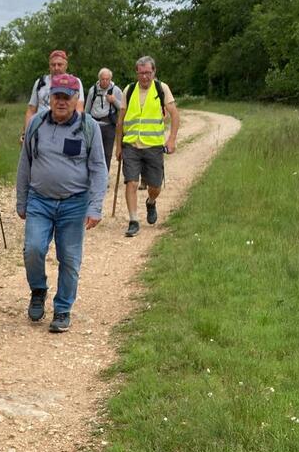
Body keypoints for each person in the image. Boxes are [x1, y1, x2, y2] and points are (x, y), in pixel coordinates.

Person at [17, 74, 108, 333]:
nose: (61, 101)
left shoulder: (89, 127)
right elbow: (25, 164)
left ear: (76, 99)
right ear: (50, 97)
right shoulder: (36, 124)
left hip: (74, 203)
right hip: (39, 201)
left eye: (67, 97)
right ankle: (38, 290)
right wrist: (21, 200)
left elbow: (99, 168)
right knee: (33, 249)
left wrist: (95, 206)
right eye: (57, 96)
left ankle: (62, 309)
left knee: (69, 257)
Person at [115, 55, 180, 238]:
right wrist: (118, 146)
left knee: (155, 186)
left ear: (154, 72)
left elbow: (175, 115)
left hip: (153, 146)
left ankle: (151, 202)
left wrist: (171, 139)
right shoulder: (129, 90)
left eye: (148, 73)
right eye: (141, 73)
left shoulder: (161, 88)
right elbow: (120, 121)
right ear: (136, 73)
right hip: (131, 144)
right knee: (132, 182)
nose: (145, 77)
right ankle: (133, 220)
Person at [22, 49, 85, 137]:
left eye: (59, 64)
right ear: (49, 66)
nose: (56, 68)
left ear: (66, 66)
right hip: (40, 128)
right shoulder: (40, 82)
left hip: (65, 127)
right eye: (53, 65)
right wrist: (26, 133)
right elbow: (31, 110)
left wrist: (75, 131)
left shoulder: (75, 82)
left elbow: (79, 108)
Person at [85, 67, 124, 170]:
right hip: (94, 125)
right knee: (93, 151)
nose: (105, 81)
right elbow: (87, 109)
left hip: (109, 125)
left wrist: (114, 100)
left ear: (110, 79)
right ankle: (93, 173)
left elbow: (122, 108)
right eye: (103, 79)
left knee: (107, 153)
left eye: (107, 79)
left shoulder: (116, 90)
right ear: (99, 79)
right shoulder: (93, 90)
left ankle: (104, 174)